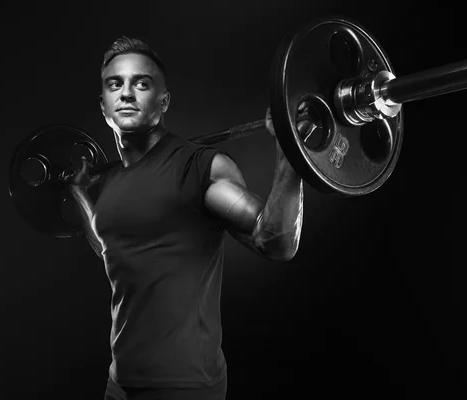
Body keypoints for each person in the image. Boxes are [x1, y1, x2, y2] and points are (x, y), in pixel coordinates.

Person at [67, 36, 312, 400]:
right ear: (103, 105)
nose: (127, 93)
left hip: (185, 386)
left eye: (142, 83)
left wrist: (291, 149)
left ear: (164, 101)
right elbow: (110, 251)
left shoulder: (200, 168)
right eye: (115, 84)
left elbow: (275, 241)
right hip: (119, 384)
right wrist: (78, 195)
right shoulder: (110, 182)